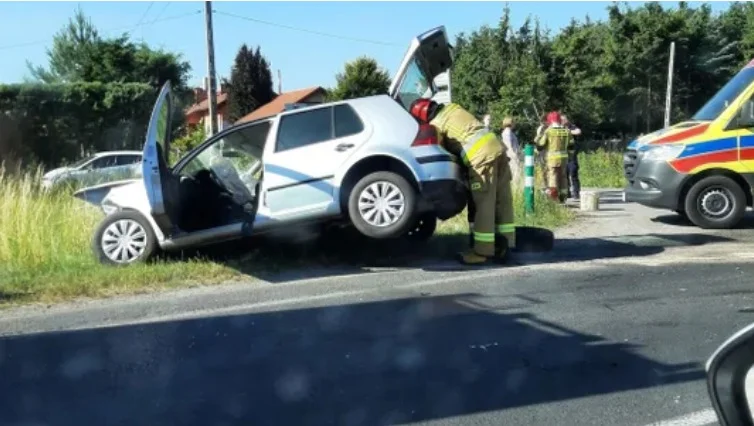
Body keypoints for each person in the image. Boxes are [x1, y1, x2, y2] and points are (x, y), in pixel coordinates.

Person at [409, 98, 515, 265]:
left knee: (484, 205)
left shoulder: (436, 125)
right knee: (503, 201)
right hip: (498, 149)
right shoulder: (453, 108)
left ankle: (482, 252)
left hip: (481, 157)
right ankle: (508, 244)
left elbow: (442, 153)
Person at [536, 111, 573, 203]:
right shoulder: (566, 131)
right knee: (563, 177)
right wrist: (570, 156)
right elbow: (571, 146)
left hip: (552, 159)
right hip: (564, 159)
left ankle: (553, 198)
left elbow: (540, 145)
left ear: (550, 120)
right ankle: (563, 197)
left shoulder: (549, 131)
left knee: (553, 177)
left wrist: (538, 138)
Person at [561, 114, 582, 200]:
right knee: (564, 174)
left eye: (565, 119)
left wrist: (568, 131)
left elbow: (578, 131)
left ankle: (576, 193)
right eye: (562, 120)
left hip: (572, 153)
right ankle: (567, 192)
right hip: (563, 154)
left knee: (573, 172)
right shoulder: (558, 129)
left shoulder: (571, 126)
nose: (564, 121)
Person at [500, 116, 522, 186]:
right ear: (510, 123)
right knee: (515, 172)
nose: (514, 124)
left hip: (513, 154)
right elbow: (508, 145)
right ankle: (515, 186)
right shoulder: (507, 132)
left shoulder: (509, 132)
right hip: (511, 155)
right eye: (513, 122)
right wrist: (514, 154)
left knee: (516, 172)